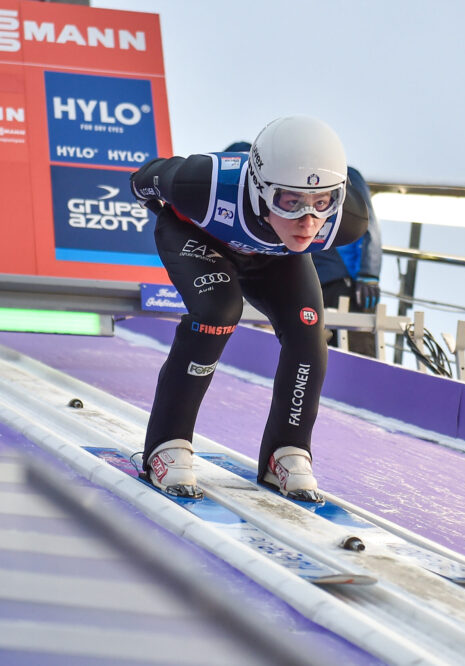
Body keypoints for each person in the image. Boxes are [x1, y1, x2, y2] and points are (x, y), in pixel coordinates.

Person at [130, 116, 369, 503]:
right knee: (218, 313)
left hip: (276, 254)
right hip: (200, 239)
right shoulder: (202, 183)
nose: (308, 221)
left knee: (308, 332)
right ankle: (167, 444)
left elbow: (304, 223)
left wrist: (287, 219)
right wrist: (154, 203)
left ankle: (287, 450)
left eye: (322, 202)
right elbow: (145, 178)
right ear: (260, 188)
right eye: (290, 201)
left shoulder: (347, 220)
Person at [226, 141, 383, 356]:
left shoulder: (344, 176)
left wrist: (369, 274)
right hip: (305, 278)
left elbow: (367, 224)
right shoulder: (278, 186)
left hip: (343, 280)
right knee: (312, 351)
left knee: (356, 354)